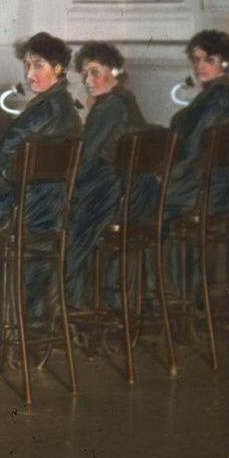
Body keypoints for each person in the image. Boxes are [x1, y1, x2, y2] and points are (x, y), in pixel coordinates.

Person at [0, 32, 81, 333]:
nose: (30, 74)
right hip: (49, 209)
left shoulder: (48, 107)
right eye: (27, 66)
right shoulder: (66, 108)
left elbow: (5, 149)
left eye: (39, 65)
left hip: (25, 208)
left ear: (58, 68)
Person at [63, 42, 146, 309]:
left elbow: (85, 159)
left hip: (113, 193)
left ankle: (72, 306)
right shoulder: (126, 99)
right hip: (134, 193)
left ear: (116, 72)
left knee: (64, 219)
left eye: (95, 72)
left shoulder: (109, 107)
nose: (88, 80)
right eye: (85, 74)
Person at [164, 30, 229, 223]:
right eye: (196, 60)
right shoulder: (220, 94)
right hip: (214, 186)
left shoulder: (219, 98)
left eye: (209, 60)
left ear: (225, 63)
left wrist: (165, 176)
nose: (200, 67)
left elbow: (198, 148)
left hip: (205, 189)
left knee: (139, 199)